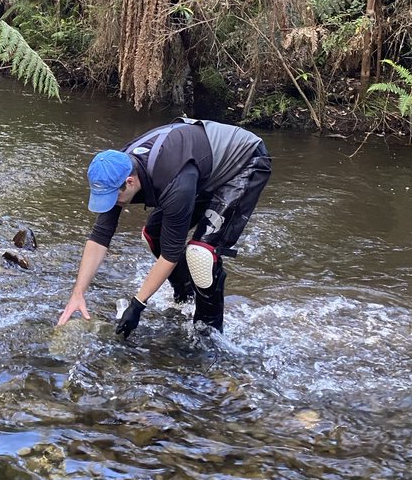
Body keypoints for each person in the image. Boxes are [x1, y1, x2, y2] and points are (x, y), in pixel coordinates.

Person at [57, 118, 271, 334]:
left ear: (130, 182)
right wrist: (78, 293)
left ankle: (209, 333)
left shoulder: (173, 182)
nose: (111, 203)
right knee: (153, 235)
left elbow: (170, 254)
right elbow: (100, 235)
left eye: (114, 196)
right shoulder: (114, 170)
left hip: (245, 161)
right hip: (198, 166)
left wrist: (137, 304)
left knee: (201, 254)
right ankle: (184, 299)